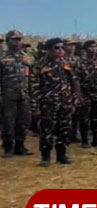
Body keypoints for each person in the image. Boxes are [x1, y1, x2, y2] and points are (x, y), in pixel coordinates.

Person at [32, 38, 76, 166]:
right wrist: (36, 106)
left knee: (65, 129)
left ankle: (61, 155)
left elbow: (72, 82)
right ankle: (45, 157)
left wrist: (73, 100)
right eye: (57, 48)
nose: (61, 50)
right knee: (47, 131)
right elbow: (34, 87)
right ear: (49, 49)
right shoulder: (40, 65)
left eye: (62, 47)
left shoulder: (66, 63)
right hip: (48, 103)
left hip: (65, 102)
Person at [0, 30, 34, 157]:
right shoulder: (2, 57)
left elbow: (33, 76)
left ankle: (20, 146)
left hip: (24, 95)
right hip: (8, 95)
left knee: (24, 121)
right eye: (14, 39)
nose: (17, 42)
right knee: (8, 122)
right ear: (8, 41)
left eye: (19, 39)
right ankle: (8, 148)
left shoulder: (28, 57)